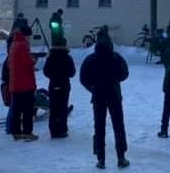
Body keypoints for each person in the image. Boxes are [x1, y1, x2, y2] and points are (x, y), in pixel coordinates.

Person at [80, 37, 130, 169]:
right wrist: (115, 80)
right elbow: (125, 73)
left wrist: (92, 88)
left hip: (98, 97)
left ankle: (100, 159)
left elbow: (83, 78)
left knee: (99, 127)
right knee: (119, 126)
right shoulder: (116, 58)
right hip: (114, 95)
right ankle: (121, 157)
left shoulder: (91, 59)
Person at [8, 29, 38, 141]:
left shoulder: (13, 45)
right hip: (25, 84)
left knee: (16, 110)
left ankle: (16, 132)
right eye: (29, 37)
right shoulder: (22, 46)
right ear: (25, 36)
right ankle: (27, 132)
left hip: (15, 84)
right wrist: (33, 60)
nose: (29, 39)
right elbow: (27, 63)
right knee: (27, 110)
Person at [43, 36, 76, 138]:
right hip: (64, 85)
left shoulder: (50, 57)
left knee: (53, 108)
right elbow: (72, 72)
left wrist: (52, 77)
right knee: (62, 108)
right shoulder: (67, 57)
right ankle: (62, 130)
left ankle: (53, 131)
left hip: (53, 85)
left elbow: (45, 71)